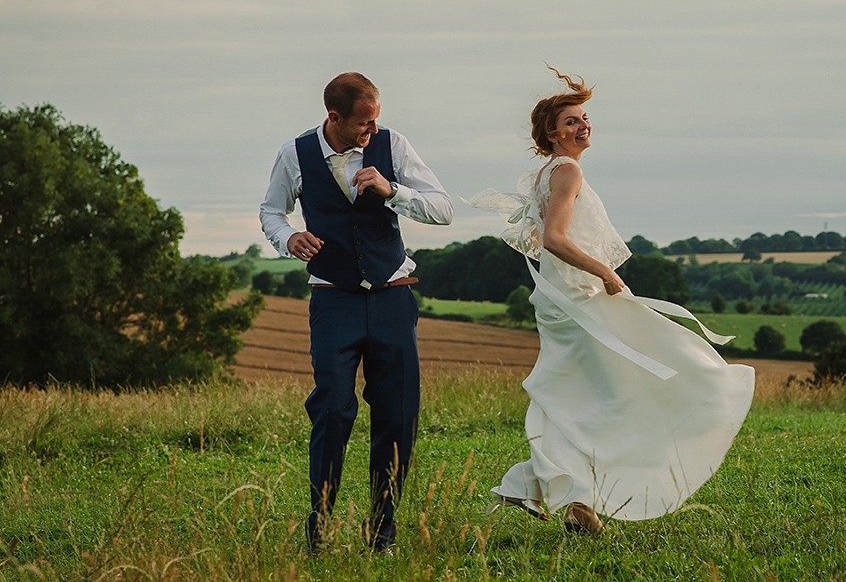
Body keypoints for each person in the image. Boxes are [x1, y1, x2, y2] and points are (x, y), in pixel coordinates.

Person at [468, 68, 755, 535]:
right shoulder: (566, 171)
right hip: (580, 301)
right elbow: (555, 239)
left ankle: (571, 501)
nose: (583, 126)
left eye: (585, 118)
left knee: (584, 394)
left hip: (564, 300)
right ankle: (548, 486)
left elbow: (542, 240)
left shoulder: (549, 173)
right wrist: (603, 271)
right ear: (551, 132)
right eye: (572, 121)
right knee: (641, 379)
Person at [260, 72, 453, 551]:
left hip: (393, 297)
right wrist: (289, 238)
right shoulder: (295, 154)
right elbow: (270, 212)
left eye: (376, 120)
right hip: (334, 299)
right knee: (332, 408)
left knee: (397, 414)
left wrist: (395, 192)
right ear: (335, 117)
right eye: (364, 123)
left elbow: (444, 209)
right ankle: (320, 528)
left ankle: (382, 533)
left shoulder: (395, 146)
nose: (372, 130)